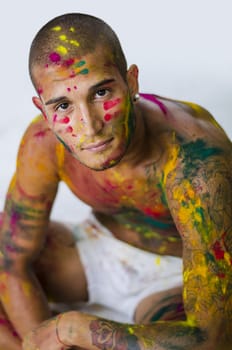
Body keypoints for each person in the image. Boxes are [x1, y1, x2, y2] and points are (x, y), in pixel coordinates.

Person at [0, 12, 231, 350]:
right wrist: (39, 340)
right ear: (44, 111)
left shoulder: (195, 158)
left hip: (178, 277)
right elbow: (12, 262)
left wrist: (76, 330)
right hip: (101, 250)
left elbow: (212, 339)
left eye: (101, 92)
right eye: (63, 105)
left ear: (131, 83)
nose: (89, 126)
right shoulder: (42, 143)